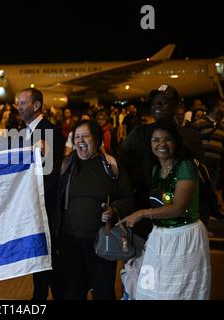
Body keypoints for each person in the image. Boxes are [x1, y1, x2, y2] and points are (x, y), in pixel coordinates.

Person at [117, 122, 211, 299]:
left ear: (176, 142)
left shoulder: (186, 167)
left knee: (178, 292)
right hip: (160, 236)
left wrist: (141, 213)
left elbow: (177, 208)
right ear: (150, 144)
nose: (162, 143)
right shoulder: (156, 169)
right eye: (156, 139)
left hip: (184, 236)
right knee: (149, 288)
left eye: (168, 139)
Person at [54, 120, 134, 299]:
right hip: (70, 243)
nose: (80, 141)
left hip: (102, 243)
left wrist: (114, 210)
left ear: (97, 139)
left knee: (103, 291)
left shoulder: (111, 165)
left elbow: (128, 198)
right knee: (73, 293)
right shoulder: (66, 165)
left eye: (85, 136)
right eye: (76, 137)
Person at [119, 84, 204, 239]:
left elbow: (199, 179)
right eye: (154, 102)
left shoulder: (190, 137)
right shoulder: (139, 133)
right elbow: (122, 164)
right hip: (143, 213)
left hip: (179, 222)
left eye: (163, 102)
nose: (157, 106)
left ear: (177, 106)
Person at [16, 88, 64, 300]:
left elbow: (51, 178)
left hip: (47, 210)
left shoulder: (49, 132)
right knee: (40, 266)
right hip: (33, 209)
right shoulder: (23, 132)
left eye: (23, 103)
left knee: (51, 266)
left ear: (36, 106)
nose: (19, 107)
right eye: (18, 103)